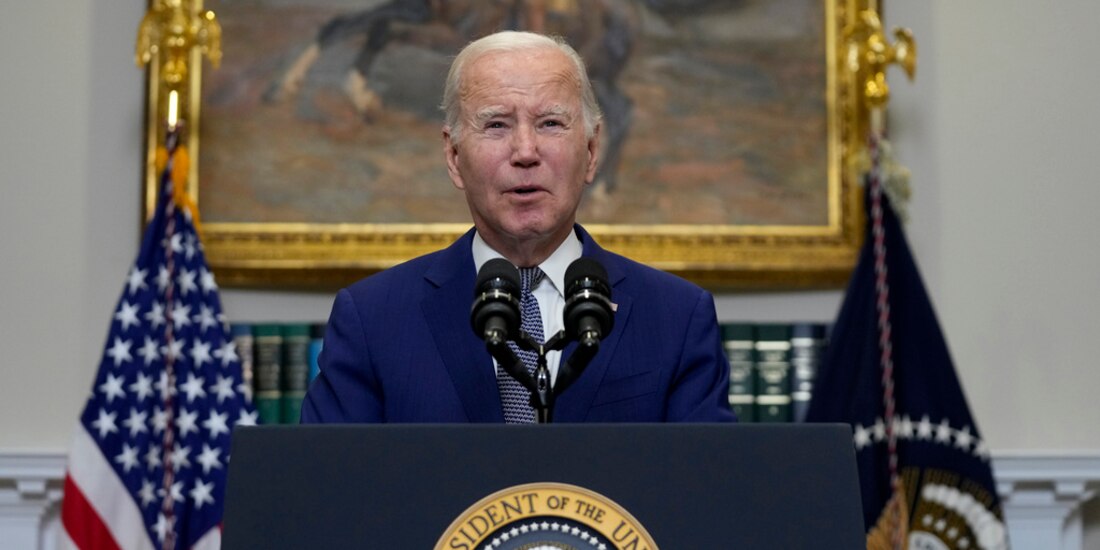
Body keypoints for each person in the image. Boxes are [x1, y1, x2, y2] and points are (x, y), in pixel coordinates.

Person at [300, 31, 734, 423]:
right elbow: (329, 493)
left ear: (591, 150)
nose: (525, 151)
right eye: (496, 125)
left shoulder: (676, 318)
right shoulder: (373, 319)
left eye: (550, 123)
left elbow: (704, 493)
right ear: (454, 157)